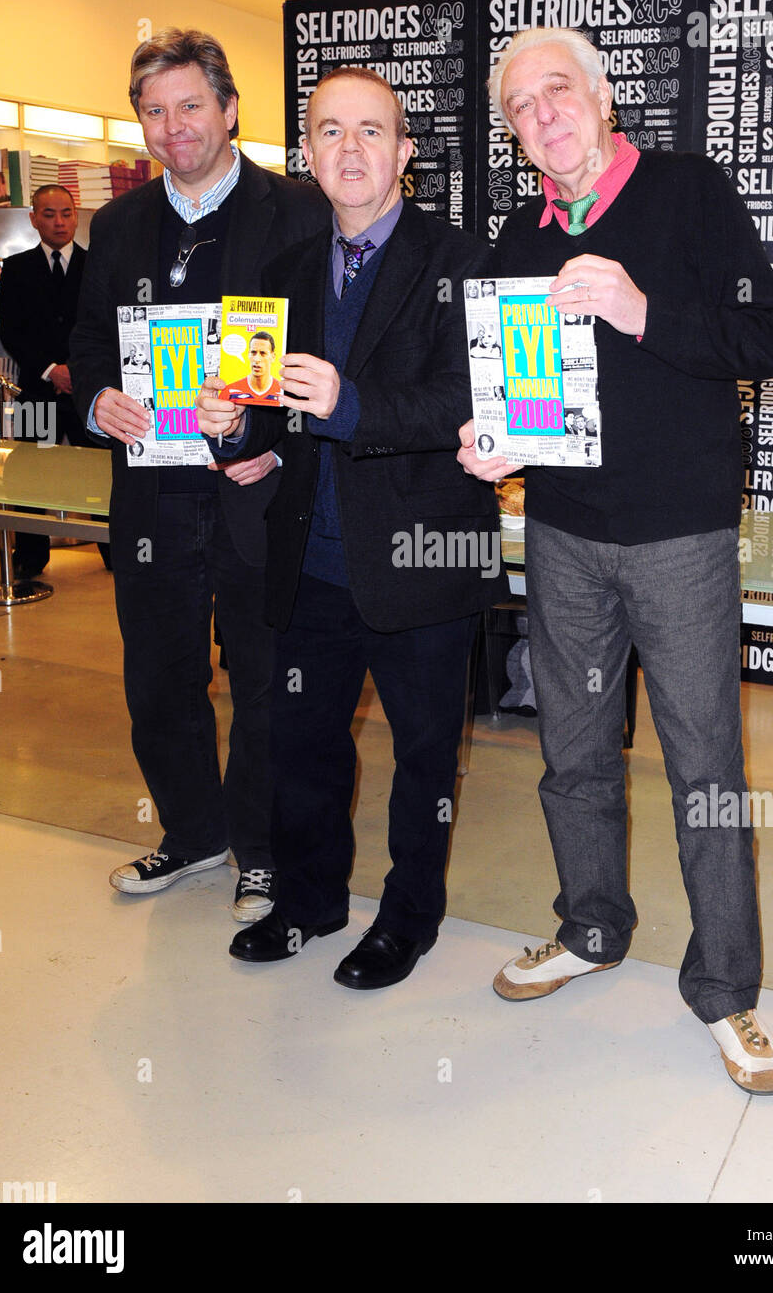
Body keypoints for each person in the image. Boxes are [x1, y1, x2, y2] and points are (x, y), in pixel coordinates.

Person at [458, 26, 773, 1095]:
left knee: (705, 769)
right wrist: (496, 445)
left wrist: (639, 308)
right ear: (512, 133)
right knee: (571, 751)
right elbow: (524, 388)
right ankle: (592, 926)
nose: (542, 113)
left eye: (558, 90)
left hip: (680, 538)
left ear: (603, 98)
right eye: (521, 105)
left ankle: (727, 988)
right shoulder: (519, 232)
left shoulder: (690, 193)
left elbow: (770, 340)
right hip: (562, 530)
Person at [196, 66, 506, 989]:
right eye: (331, 131)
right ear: (307, 154)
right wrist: (227, 426)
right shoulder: (282, 273)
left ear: (406, 153)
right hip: (310, 560)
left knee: (422, 758)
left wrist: (351, 404)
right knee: (303, 746)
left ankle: (409, 918)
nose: (351, 149)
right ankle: (310, 900)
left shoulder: (463, 263)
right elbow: (262, 414)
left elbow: (471, 398)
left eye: (373, 131)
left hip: (422, 558)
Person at [70, 28, 329, 923]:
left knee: (263, 676)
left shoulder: (299, 212)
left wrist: (280, 437)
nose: (173, 127)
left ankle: (261, 854)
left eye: (190, 106)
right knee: (158, 674)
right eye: (153, 111)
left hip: (256, 488)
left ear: (228, 109)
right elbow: (89, 343)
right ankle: (192, 833)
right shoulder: (117, 225)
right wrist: (100, 393)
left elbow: (327, 349)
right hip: (151, 493)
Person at [0, 184, 111, 579]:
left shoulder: (97, 265)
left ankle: (114, 553)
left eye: (66, 213)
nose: (59, 222)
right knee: (31, 474)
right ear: (33, 218)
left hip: (88, 391)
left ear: (76, 216)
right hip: (37, 390)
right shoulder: (16, 268)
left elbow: (105, 327)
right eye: (49, 214)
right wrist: (50, 369)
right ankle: (30, 557)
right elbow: (10, 330)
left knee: (99, 472)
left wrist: (78, 370)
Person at [219, 331, 279, 402]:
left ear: (273, 357)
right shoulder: (230, 391)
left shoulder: (281, 391)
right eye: (253, 352)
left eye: (263, 353)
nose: (257, 359)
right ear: (248, 354)